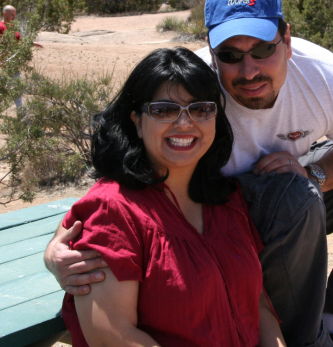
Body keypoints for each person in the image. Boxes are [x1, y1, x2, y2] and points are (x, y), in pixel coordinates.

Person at [46, 0, 333, 347]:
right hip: (221, 204)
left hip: (231, 210)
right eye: (230, 55)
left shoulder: (324, 76)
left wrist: (315, 173)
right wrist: (56, 250)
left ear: (287, 40)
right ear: (211, 50)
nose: (249, 70)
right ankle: (307, 338)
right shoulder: (193, 84)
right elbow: (119, 181)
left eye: (262, 50)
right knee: (296, 194)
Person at [60, 47, 284, 347]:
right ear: (137, 122)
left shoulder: (227, 200)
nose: (183, 123)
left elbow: (257, 305)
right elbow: (110, 336)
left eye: (200, 109)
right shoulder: (113, 210)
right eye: (164, 110)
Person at [0, 5, 42, 109]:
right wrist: (4, 54)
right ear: (5, 14)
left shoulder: (11, 26)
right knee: (12, 86)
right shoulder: (0, 27)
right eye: (12, 15)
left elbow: (18, 40)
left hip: (13, 61)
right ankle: (20, 112)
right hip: (7, 62)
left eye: (15, 15)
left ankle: (18, 111)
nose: (14, 17)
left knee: (7, 86)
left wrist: (32, 43)